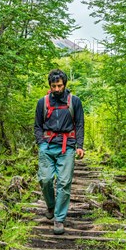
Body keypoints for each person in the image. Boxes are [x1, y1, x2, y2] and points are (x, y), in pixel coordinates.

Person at [34, 69, 84, 235]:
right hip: (47, 146)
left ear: (65, 84)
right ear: (50, 85)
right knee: (45, 179)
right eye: (54, 86)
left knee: (64, 182)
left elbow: (79, 124)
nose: (56, 89)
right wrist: (41, 143)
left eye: (59, 85)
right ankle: (50, 205)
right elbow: (37, 126)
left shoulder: (74, 101)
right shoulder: (43, 102)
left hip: (67, 146)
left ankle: (59, 219)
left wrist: (79, 145)